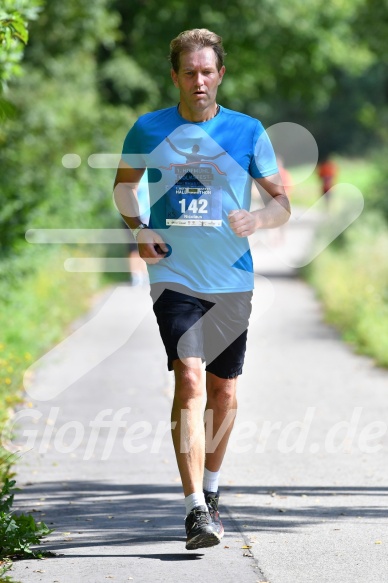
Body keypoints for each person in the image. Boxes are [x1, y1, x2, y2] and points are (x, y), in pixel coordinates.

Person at [113, 28, 290, 550]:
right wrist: (139, 226)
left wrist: (258, 219)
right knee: (189, 379)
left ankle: (211, 489)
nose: (199, 81)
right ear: (174, 76)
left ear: (220, 75)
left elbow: (281, 203)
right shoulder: (148, 130)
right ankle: (194, 509)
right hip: (174, 276)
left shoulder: (248, 130)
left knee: (224, 390)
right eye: (189, 72)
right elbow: (124, 185)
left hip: (231, 278)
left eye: (207, 71)